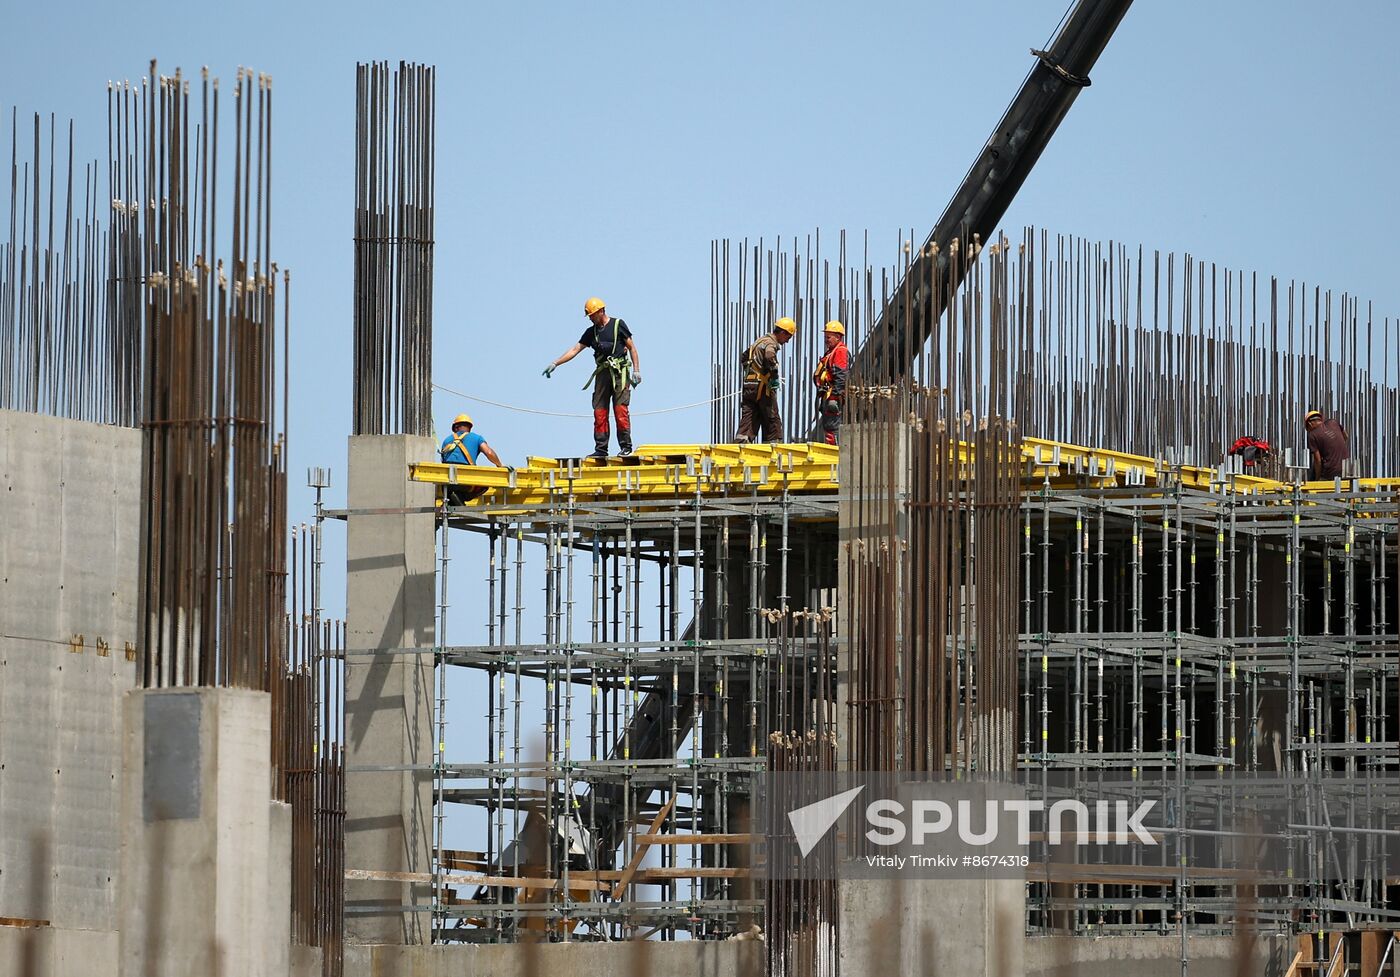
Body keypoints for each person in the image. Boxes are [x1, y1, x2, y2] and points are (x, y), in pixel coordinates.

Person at [543, 297, 643, 460]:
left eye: (592, 315)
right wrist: (556, 363)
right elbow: (575, 349)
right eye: (589, 316)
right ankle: (601, 449)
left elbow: (632, 348)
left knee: (620, 410)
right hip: (602, 374)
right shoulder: (591, 333)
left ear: (601, 311)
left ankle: (626, 447)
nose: (590, 318)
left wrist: (636, 370)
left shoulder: (618, 325)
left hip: (619, 373)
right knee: (600, 411)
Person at [736, 317, 796, 443]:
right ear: (782, 332)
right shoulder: (770, 343)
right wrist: (773, 375)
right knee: (772, 416)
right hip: (762, 386)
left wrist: (752, 371)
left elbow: (744, 357)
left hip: (749, 385)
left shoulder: (759, 341)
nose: (787, 342)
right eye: (788, 337)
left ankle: (741, 443)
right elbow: (769, 356)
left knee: (750, 415)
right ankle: (773, 446)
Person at [439, 413, 505, 505]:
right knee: (484, 484)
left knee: (451, 491)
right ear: (470, 428)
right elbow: (489, 452)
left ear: (455, 428)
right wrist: (499, 465)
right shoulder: (476, 438)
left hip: (447, 484)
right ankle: (460, 497)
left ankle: (453, 499)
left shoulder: (446, 440)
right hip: (465, 482)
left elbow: (443, 461)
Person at [812, 320, 849, 445]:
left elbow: (840, 375)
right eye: (825, 337)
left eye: (829, 337)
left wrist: (834, 396)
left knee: (832, 426)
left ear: (838, 337)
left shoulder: (840, 351)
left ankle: (835, 454)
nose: (826, 340)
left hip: (832, 395)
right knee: (828, 425)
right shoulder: (830, 352)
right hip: (827, 394)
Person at [1304, 409, 1349, 479]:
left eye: (1308, 429)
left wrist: (1317, 479)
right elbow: (1346, 437)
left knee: (1314, 468)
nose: (1309, 431)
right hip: (1347, 468)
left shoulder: (1312, 435)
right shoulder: (1333, 422)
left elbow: (1317, 460)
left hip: (1331, 472)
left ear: (1310, 424)